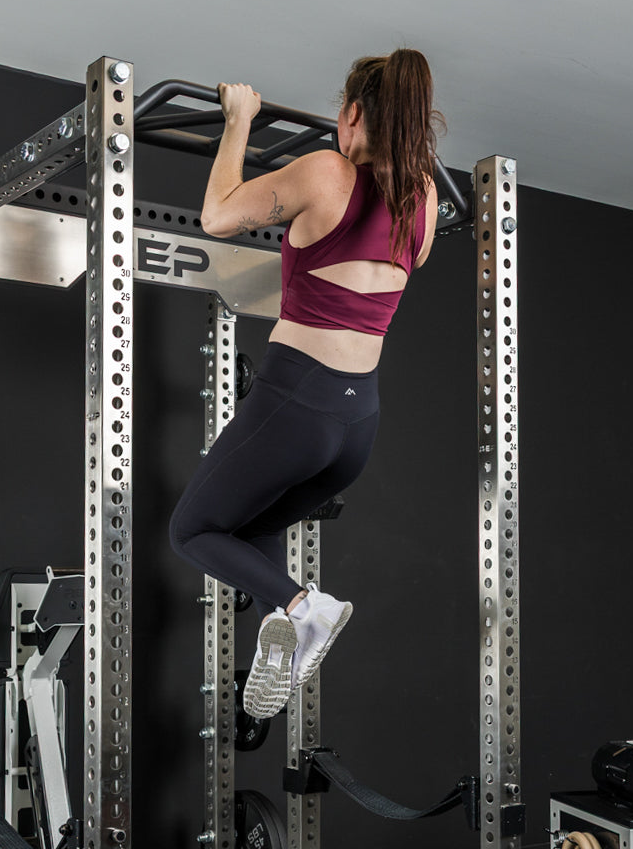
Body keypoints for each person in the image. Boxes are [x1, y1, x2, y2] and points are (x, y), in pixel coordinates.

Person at [169, 50, 442, 718]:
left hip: (297, 402)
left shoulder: (327, 171)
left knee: (193, 531)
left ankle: (302, 607)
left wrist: (240, 120)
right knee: (249, 529)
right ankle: (281, 629)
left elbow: (218, 216)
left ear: (351, 114)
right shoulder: (426, 200)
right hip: (357, 427)